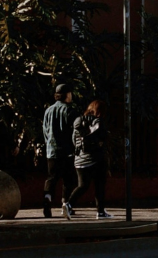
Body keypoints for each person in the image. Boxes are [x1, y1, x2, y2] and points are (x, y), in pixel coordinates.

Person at [69, 100, 112, 219]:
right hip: (96, 159)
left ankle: (68, 205)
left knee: (82, 186)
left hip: (79, 160)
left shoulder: (78, 121)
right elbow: (104, 139)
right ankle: (101, 212)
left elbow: (74, 141)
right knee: (99, 185)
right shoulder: (98, 122)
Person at [42, 84, 79, 219]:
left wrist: (48, 144)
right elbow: (76, 132)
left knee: (52, 178)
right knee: (69, 179)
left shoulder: (48, 111)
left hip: (51, 151)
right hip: (67, 151)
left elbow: (45, 130)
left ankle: (47, 198)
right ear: (67, 95)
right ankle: (65, 203)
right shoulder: (70, 111)